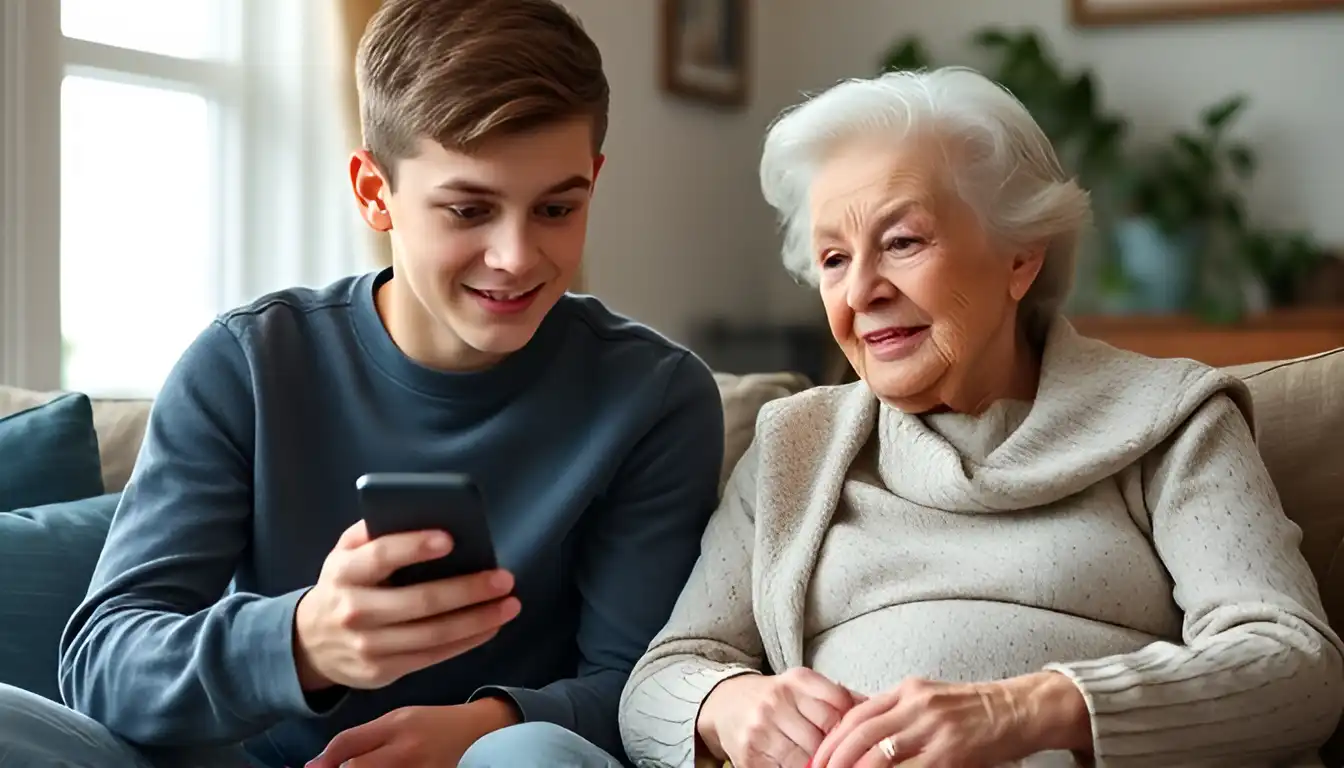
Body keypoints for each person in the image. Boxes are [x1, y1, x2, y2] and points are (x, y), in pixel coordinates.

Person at [0, 1, 725, 766]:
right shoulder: (247, 365)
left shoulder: (653, 397)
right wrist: (305, 641)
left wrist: (486, 728)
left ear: (593, 183)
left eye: (556, 207)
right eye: (469, 209)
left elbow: (646, 689)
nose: (517, 255)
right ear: (375, 191)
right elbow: (102, 664)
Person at [618, 66, 1344, 768]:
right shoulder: (793, 446)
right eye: (834, 258)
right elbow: (658, 682)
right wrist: (729, 703)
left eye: (902, 242)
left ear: (1020, 258)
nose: (861, 289)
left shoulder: (1170, 419)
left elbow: (1295, 668)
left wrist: (1022, 713)